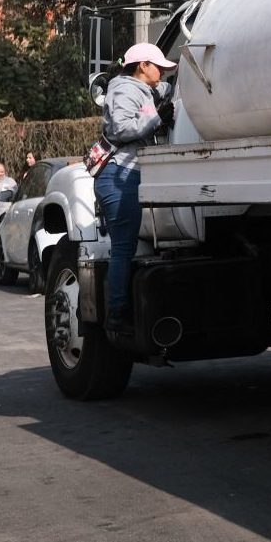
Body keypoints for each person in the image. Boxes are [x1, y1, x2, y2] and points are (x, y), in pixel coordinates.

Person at [96, 41, 177, 337]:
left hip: (124, 174)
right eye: (159, 67)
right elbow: (122, 128)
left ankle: (119, 313)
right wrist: (158, 117)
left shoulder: (144, 89)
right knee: (123, 249)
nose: (163, 73)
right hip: (120, 175)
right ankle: (117, 317)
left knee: (125, 247)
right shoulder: (125, 89)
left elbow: (165, 92)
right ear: (143, 66)